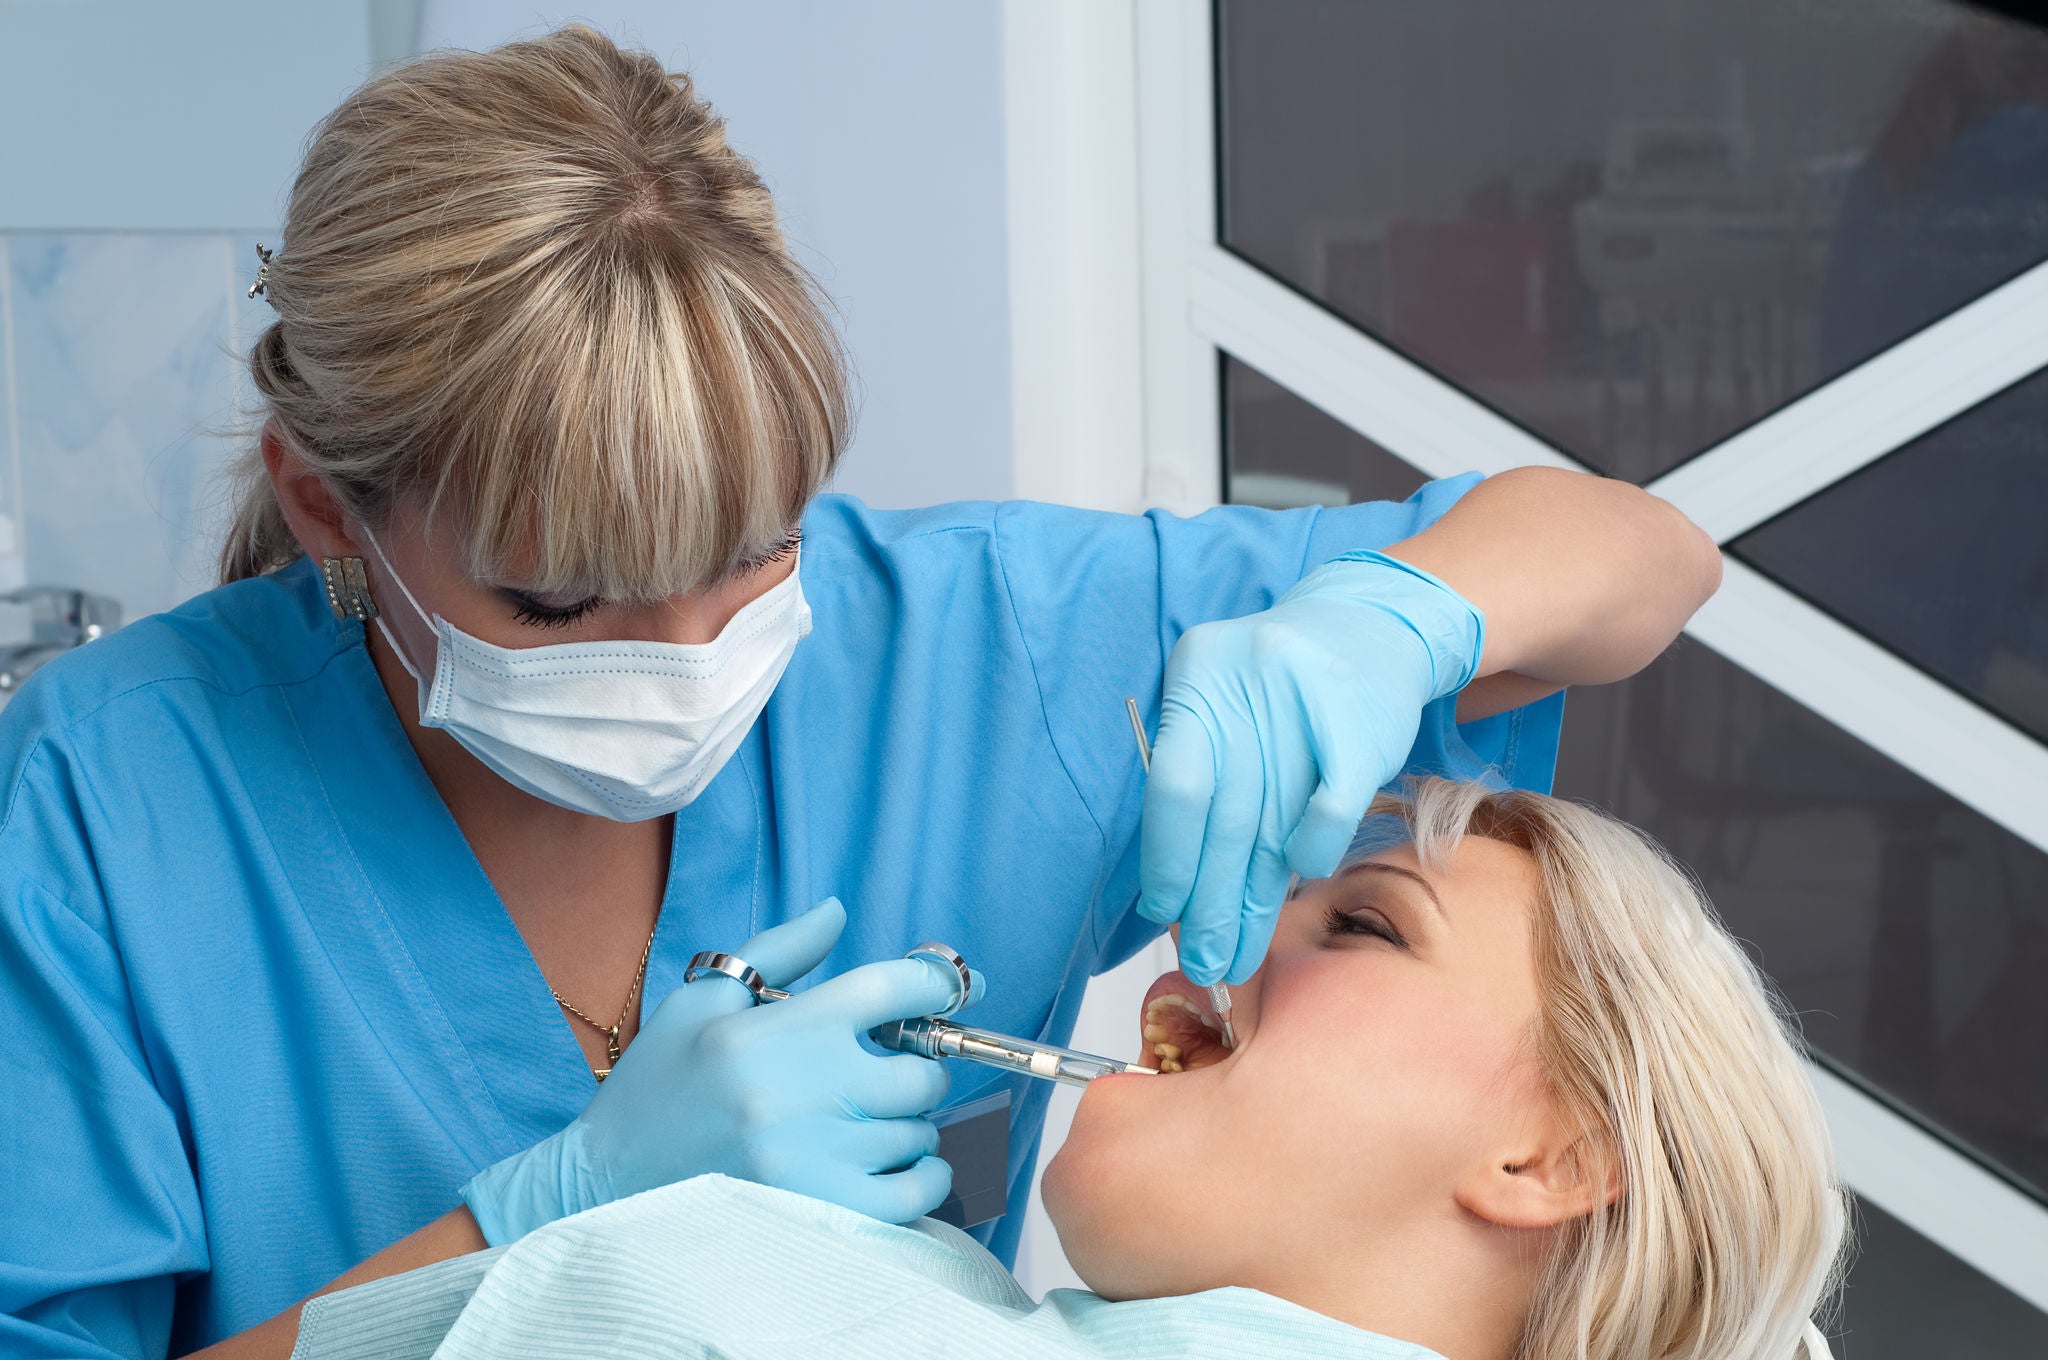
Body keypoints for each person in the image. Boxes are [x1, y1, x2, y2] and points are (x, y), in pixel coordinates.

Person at [0, 26, 1723, 1360]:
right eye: (560, 594)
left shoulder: (993, 647)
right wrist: (536, 1225)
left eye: (754, 553)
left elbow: (1637, 557)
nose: (691, 663)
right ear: (327, 504)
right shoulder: (104, 808)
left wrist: (1400, 619)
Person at [277, 779, 1848, 1360]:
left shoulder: (737, 1302)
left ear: (1556, 1158)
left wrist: (551, 1219)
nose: (1206, 954)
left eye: (1364, 925)